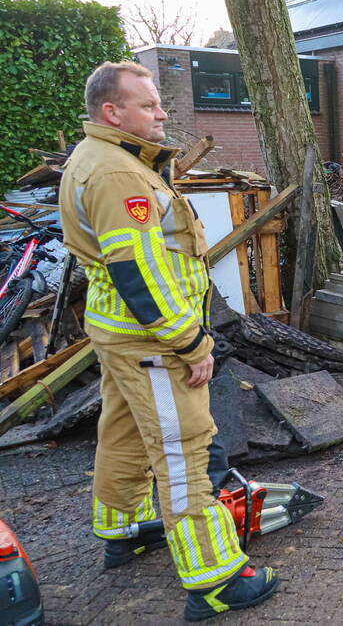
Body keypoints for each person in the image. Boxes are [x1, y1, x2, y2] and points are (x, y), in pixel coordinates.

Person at [58, 61, 277, 621]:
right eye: (149, 105)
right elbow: (140, 273)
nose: (161, 114)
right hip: (150, 341)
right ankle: (213, 578)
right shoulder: (115, 174)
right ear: (113, 112)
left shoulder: (103, 160)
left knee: (124, 432)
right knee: (184, 450)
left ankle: (121, 529)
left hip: (121, 336)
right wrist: (191, 342)